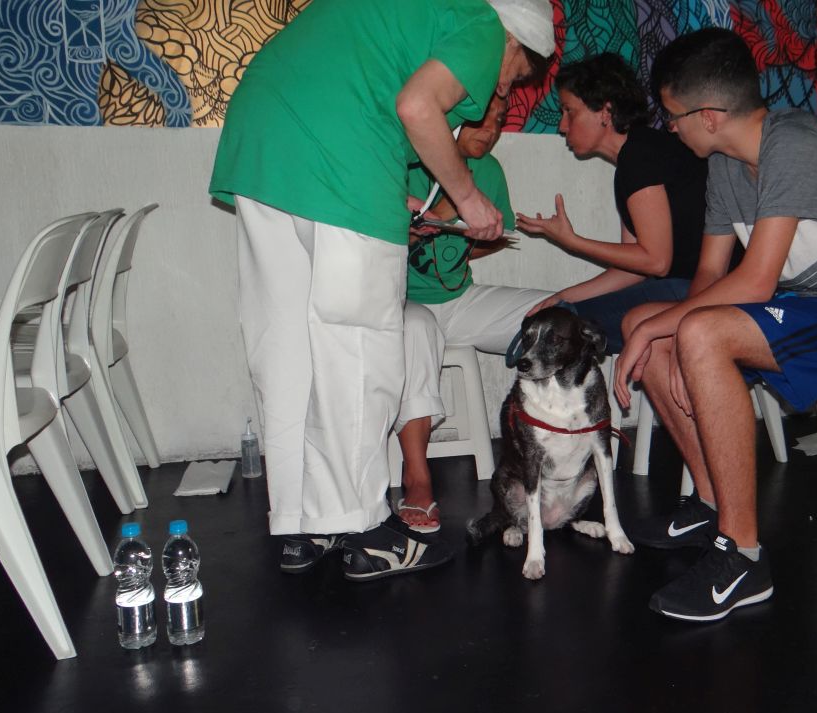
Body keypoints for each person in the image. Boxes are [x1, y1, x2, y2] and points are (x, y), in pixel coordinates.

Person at [207, 0, 555, 580]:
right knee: (360, 349)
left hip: (264, 148)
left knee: (288, 349)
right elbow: (416, 107)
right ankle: (366, 530)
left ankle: (302, 525)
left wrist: (396, 197)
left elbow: (350, 92)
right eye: (514, 74)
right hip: (339, 160)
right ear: (518, 40)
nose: (501, 86)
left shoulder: (413, 12)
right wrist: (468, 198)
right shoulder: (481, 24)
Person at [614, 29, 817, 621]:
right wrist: (663, 332)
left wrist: (677, 333)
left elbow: (756, 281)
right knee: (648, 319)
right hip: (813, 304)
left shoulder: (796, 145)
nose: (670, 128)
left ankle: (743, 556)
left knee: (688, 330)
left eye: (673, 116)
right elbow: (711, 271)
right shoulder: (726, 165)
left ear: (709, 117)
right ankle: (711, 504)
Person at [395, 93, 553, 532]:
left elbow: (496, 236)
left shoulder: (489, 171)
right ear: (451, 118)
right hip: (401, 302)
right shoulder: (403, 161)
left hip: (460, 300)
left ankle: (563, 457)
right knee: (416, 328)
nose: (492, 131)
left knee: (554, 315)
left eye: (500, 122)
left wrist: (468, 241)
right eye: (484, 120)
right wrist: (410, 233)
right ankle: (417, 478)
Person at [515, 53, 717, 353]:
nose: (562, 125)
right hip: (685, 286)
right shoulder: (635, 157)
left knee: (560, 329)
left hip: (705, 289)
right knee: (560, 315)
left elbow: (656, 261)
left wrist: (573, 242)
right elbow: (633, 269)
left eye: (570, 111)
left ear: (605, 112)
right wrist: (564, 297)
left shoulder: (640, 156)